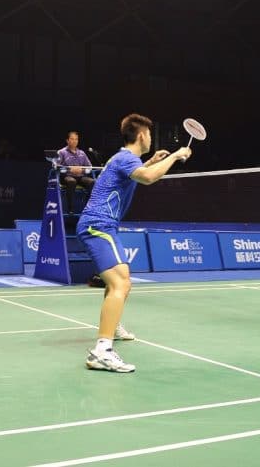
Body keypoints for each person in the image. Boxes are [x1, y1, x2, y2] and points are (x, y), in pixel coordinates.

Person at [78, 113, 192, 372]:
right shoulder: (126, 159)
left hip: (102, 224)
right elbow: (148, 178)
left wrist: (151, 161)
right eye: (150, 134)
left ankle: (112, 325)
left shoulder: (121, 158)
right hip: (99, 225)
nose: (151, 138)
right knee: (121, 282)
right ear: (141, 135)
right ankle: (102, 351)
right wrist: (175, 156)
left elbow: (136, 173)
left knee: (119, 278)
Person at [56, 130, 95, 212]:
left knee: (92, 182)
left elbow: (90, 167)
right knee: (71, 181)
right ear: (67, 140)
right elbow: (57, 167)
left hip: (80, 177)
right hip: (66, 177)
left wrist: (82, 171)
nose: (74, 141)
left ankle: (88, 208)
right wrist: (70, 170)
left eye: (76, 139)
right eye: (72, 139)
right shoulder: (61, 152)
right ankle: (71, 209)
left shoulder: (82, 153)